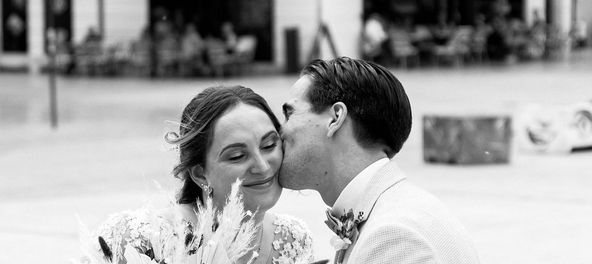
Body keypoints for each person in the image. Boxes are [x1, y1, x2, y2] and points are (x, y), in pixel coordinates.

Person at [279, 57, 480, 264]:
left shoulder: (393, 235)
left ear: (335, 118)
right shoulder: (397, 209)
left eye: (289, 114)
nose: (278, 132)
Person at [94, 86, 314, 264]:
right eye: (237, 156)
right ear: (200, 174)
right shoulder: (139, 239)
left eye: (269, 145)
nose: (263, 167)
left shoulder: (293, 239)